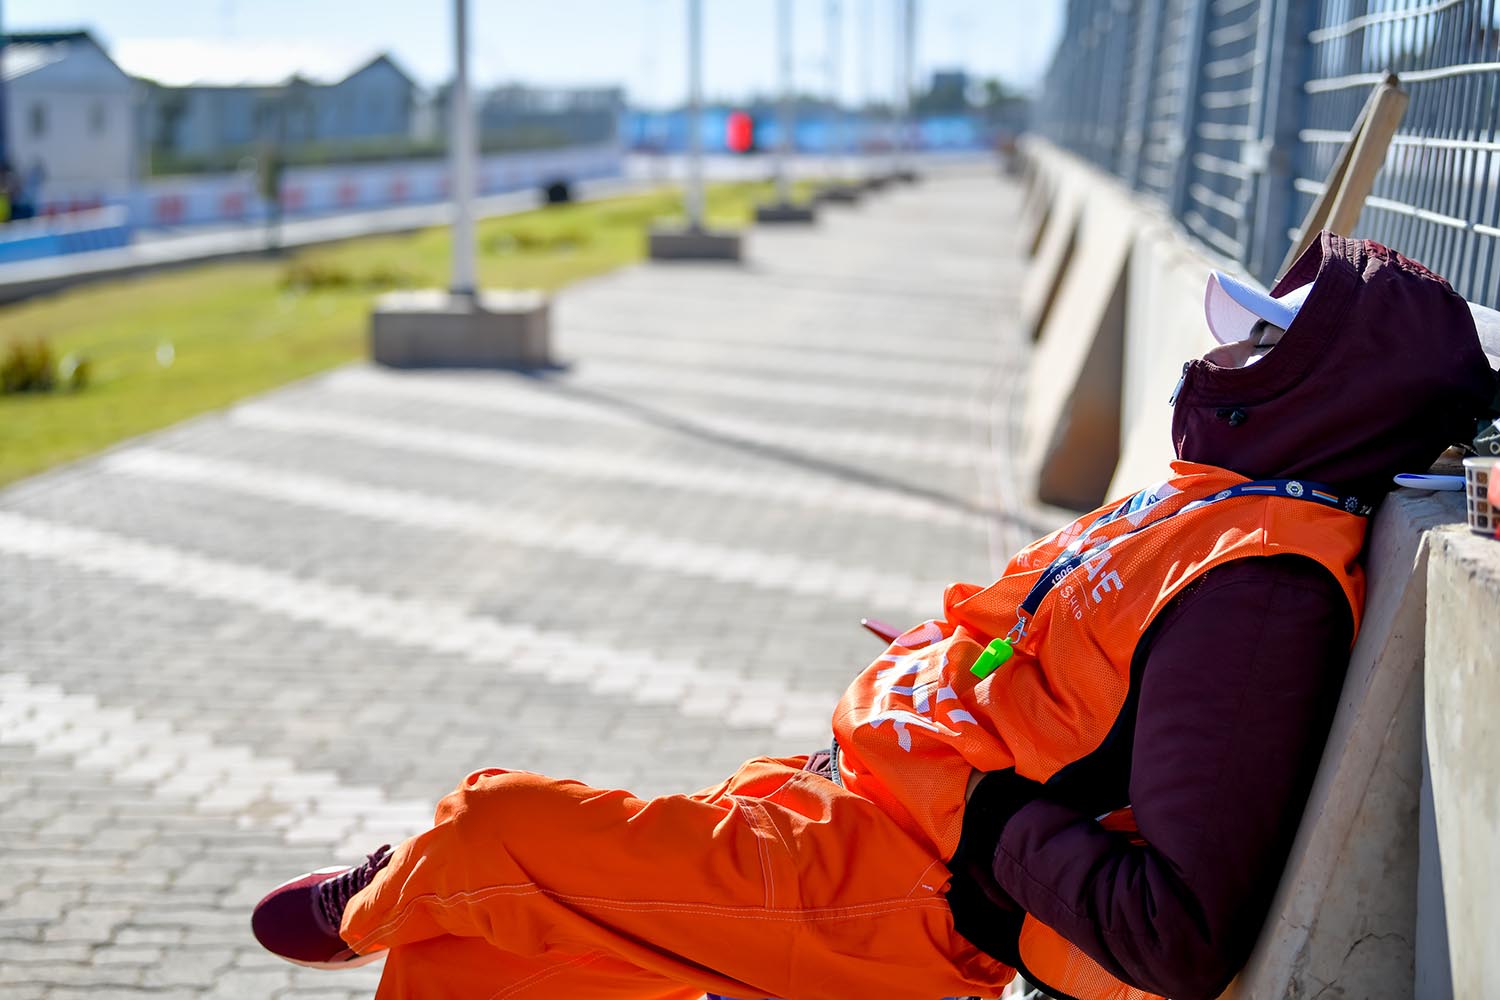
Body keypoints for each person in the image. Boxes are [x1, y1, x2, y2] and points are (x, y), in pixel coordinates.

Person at [251, 232, 1498, 1000]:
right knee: (482, 961)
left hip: (890, 896)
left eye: (1260, 341)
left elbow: (1171, 934)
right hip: (835, 802)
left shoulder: (1258, 593)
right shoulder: (1217, 501)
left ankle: (375, 894)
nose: (1218, 359)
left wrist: (982, 812)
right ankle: (410, 913)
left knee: (495, 829)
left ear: (1322, 388)